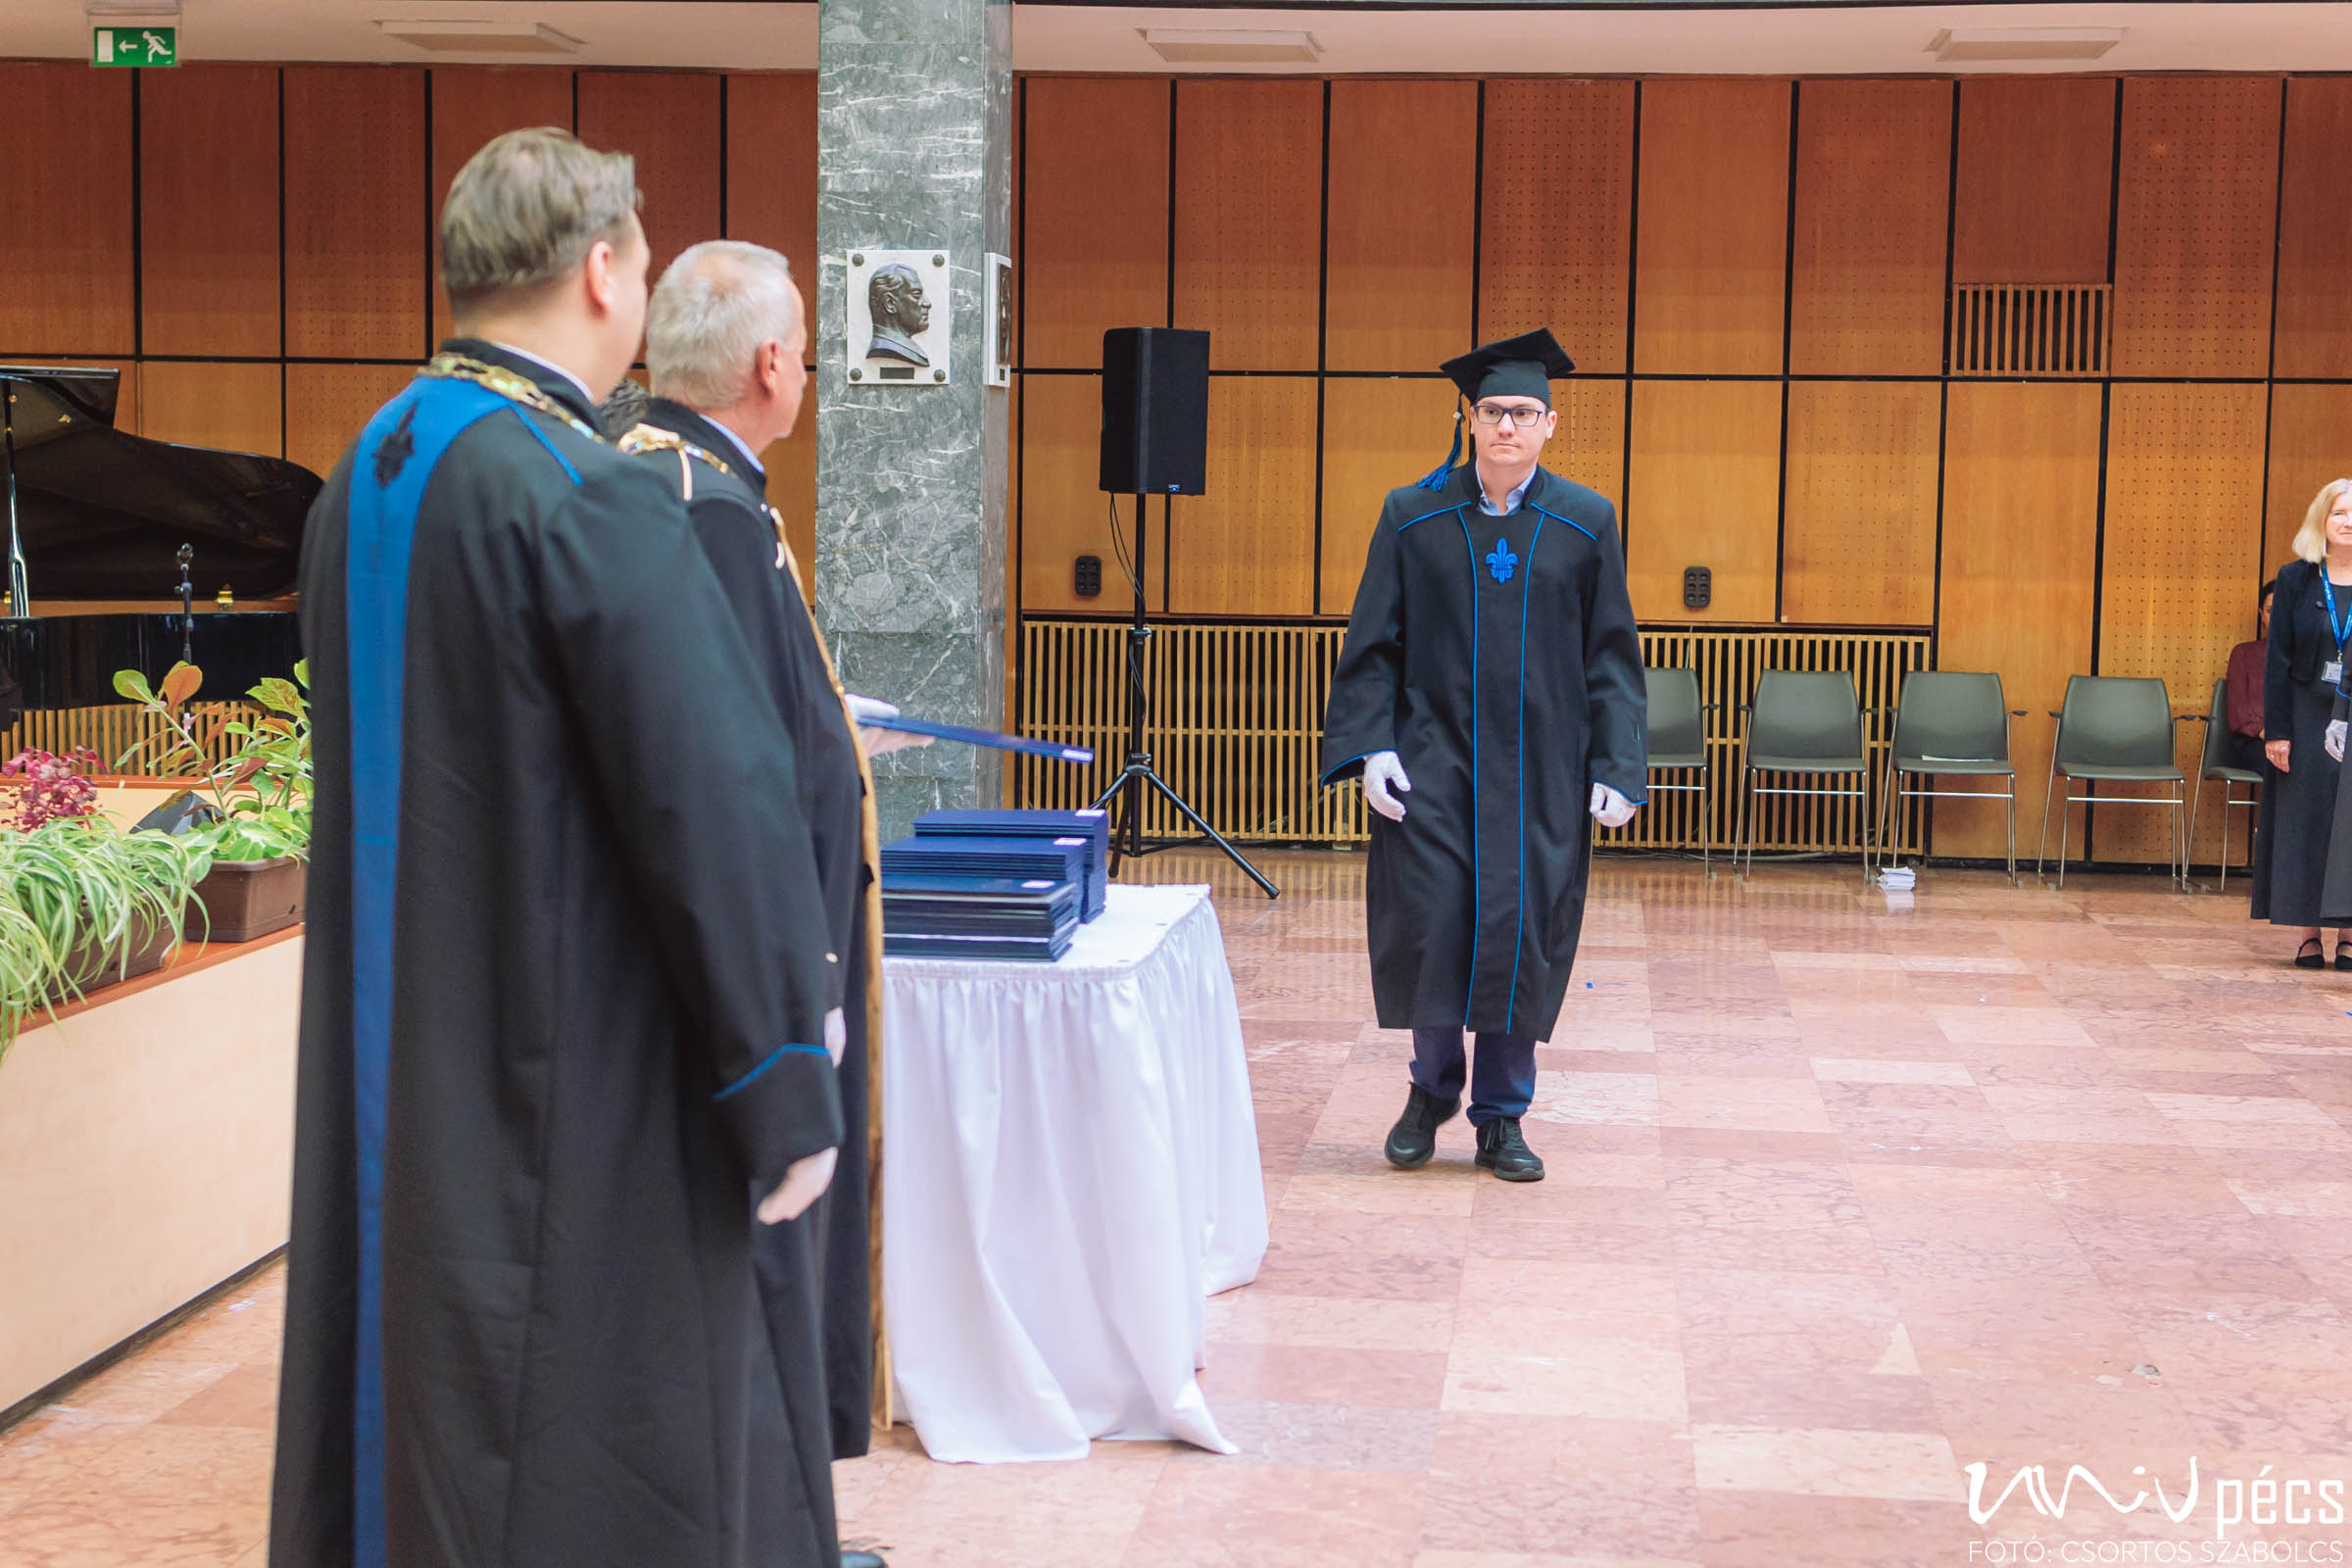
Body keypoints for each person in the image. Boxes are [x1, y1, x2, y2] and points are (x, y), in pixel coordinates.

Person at [270, 129, 848, 1568]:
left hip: (402, 1063)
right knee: (573, 1427)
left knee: (412, 1401)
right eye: (641, 263)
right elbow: (710, 801)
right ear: (602, 272)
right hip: (566, 1072)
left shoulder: (364, 475)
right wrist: (784, 1070)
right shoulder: (581, 491)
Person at [625, 240, 925, 1568]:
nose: (805, 368)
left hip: (768, 954)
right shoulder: (701, 507)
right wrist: (800, 983)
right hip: (764, 972)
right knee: (756, 1257)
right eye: (802, 347)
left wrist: (832, 722)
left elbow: (751, 715)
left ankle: (785, 1522)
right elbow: (716, 775)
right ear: (766, 364)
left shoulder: (689, 484)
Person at [1319, 327, 1647, 1185]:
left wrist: (1617, 766)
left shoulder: (1585, 522)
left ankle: (1502, 1115)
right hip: (1434, 765)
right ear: (1469, 419)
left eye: (1524, 412)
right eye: (1493, 410)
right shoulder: (1413, 516)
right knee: (1435, 927)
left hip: (1542, 774)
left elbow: (1612, 656)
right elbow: (1372, 644)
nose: (1507, 425)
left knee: (1520, 935)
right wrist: (1371, 748)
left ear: (1550, 424)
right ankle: (1431, 1091)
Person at [2253, 478, 2352, 969]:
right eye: (2339, 513)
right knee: (2307, 822)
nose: (2348, 523)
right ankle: (2309, 933)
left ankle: (2349, 934)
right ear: (2321, 520)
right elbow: (2277, 661)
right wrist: (2278, 731)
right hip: (2306, 716)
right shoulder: (2295, 579)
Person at [2224, 579, 2275, 775]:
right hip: (2253, 740)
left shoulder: (2305, 657)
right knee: (2283, 766)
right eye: (2270, 611)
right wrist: (2266, 733)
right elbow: (2239, 710)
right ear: (2261, 614)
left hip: (2295, 742)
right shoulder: (2243, 653)